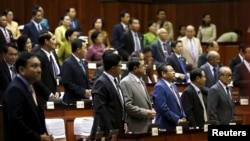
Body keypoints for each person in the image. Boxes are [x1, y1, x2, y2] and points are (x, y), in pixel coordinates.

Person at [3, 52, 53, 141]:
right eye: (34, 66)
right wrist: (38, 137)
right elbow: (16, 123)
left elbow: (34, 118)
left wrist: (44, 135)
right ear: (22, 70)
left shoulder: (29, 86)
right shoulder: (15, 89)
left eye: (39, 66)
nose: (39, 70)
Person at [90, 53, 127, 140]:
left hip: (117, 128)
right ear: (113, 68)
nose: (121, 68)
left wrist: (123, 122)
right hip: (106, 132)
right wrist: (110, 131)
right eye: (119, 66)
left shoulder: (114, 80)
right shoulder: (101, 83)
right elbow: (100, 110)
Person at [120, 56, 155, 133]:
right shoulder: (125, 82)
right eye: (143, 66)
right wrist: (146, 112)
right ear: (135, 68)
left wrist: (150, 110)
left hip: (146, 124)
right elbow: (128, 106)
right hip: (135, 127)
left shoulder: (141, 81)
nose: (145, 67)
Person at [152, 63, 186, 130]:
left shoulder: (174, 85)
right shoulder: (159, 86)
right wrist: (177, 119)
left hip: (177, 124)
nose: (174, 73)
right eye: (171, 71)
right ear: (163, 73)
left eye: (173, 70)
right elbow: (163, 108)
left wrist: (183, 116)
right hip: (166, 126)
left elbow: (179, 103)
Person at [33, 31, 60, 105]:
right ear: (46, 41)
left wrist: (57, 91)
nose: (55, 42)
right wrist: (50, 94)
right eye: (53, 39)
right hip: (43, 97)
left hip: (53, 96)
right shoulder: (39, 57)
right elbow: (36, 79)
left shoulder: (51, 55)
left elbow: (54, 76)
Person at [61, 39, 92, 104]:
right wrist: (83, 91)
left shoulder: (83, 62)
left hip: (84, 99)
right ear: (78, 50)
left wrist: (90, 90)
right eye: (85, 48)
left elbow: (85, 81)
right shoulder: (67, 63)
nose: (87, 50)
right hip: (72, 101)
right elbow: (67, 83)